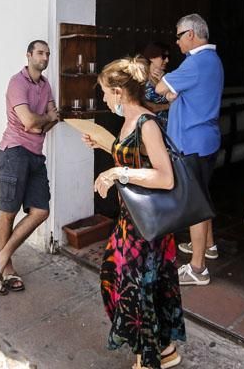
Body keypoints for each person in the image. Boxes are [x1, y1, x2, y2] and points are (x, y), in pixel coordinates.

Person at [83, 56, 184, 369]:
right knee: (119, 282)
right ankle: (165, 350)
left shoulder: (147, 122)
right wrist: (104, 146)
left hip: (147, 225)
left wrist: (116, 173)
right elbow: (133, 155)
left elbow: (165, 177)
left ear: (117, 91)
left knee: (137, 292)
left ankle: (149, 358)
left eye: (103, 91)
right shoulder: (128, 121)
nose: (102, 97)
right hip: (130, 221)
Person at [0, 40, 59, 295]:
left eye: (47, 53)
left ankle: (0, 257)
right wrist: (44, 120)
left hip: (35, 155)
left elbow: (50, 121)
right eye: (40, 53)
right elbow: (29, 121)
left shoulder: (45, 85)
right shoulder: (17, 83)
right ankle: (7, 268)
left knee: (41, 211)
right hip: (14, 152)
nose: (45, 57)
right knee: (9, 211)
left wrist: (43, 122)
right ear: (28, 55)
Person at [155, 13, 223, 286]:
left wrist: (168, 85)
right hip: (206, 139)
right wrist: (174, 91)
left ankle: (198, 268)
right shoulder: (212, 60)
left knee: (195, 205)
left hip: (192, 142)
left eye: (179, 36)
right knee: (203, 197)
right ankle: (208, 246)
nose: (177, 42)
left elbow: (161, 88)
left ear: (191, 35)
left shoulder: (195, 63)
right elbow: (175, 93)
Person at [140, 41, 171, 122]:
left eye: (168, 57)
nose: (167, 60)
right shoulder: (142, 78)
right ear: (151, 57)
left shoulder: (169, 77)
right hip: (150, 125)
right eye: (163, 57)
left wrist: (164, 81)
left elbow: (178, 100)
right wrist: (168, 106)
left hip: (169, 126)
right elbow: (142, 105)